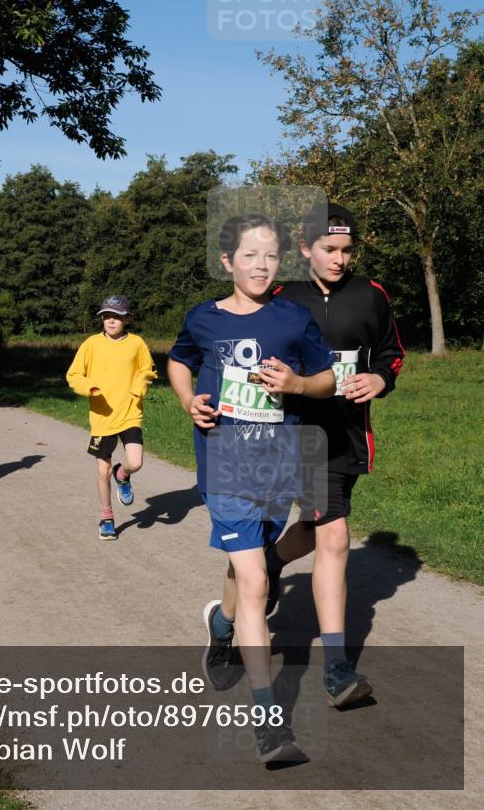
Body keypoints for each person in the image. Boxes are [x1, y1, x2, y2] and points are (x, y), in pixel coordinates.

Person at [168, 213, 335, 764]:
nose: (260, 265)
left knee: (251, 567)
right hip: (227, 463)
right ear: (227, 262)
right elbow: (177, 361)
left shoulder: (293, 318)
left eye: (270, 256)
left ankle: (222, 624)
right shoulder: (204, 318)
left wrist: (298, 384)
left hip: (283, 461)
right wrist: (187, 400)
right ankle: (269, 724)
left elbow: (326, 377)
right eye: (249, 256)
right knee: (258, 580)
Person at [266, 203, 405, 708]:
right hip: (296, 433)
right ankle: (338, 669)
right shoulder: (280, 298)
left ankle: (271, 560)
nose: (340, 260)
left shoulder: (371, 296)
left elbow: (392, 352)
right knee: (336, 534)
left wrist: (381, 377)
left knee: (321, 525)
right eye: (329, 249)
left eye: (348, 251)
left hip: (347, 434)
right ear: (305, 248)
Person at [66, 295, 157, 540]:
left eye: (116, 316)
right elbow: (73, 375)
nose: (111, 320)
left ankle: (123, 475)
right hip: (102, 416)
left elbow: (147, 370)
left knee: (135, 462)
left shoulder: (137, 343)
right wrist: (88, 387)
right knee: (102, 471)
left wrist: (140, 387)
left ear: (127, 319)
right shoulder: (91, 344)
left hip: (129, 413)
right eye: (107, 316)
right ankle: (107, 517)